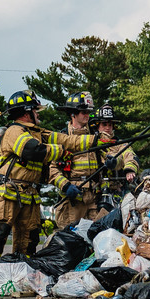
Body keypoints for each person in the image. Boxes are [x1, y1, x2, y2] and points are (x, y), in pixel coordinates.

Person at [0, 90, 99, 277]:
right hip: (8, 192)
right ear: (26, 112)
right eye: (36, 110)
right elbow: (32, 151)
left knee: (28, 240)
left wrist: (97, 139)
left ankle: (19, 276)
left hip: (28, 194)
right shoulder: (15, 131)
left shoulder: (38, 132)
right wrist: (59, 152)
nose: (38, 113)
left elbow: (68, 140)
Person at [49, 91, 114, 228]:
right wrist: (65, 186)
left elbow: (115, 152)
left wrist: (113, 162)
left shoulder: (96, 137)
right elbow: (52, 169)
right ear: (73, 114)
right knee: (71, 241)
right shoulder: (62, 138)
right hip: (72, 202)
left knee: (95, 240)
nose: (87, 115)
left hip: (94, 200)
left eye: (89, 111)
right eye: (83, 112)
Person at [91, 104, 139, 208]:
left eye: (110, 124)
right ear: (97, 126)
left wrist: (129, 170)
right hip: (93, 195)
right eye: (104, 124)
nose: (108, 128)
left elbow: (129, 155)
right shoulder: (91, 144)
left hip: (116, 192)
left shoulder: (120, 143)